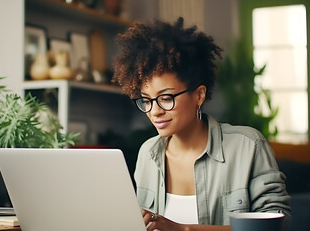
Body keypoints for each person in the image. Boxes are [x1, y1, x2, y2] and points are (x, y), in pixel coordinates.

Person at [112, 17, 291, 231]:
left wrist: (185, 229)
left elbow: (278, 226)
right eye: (146, 100)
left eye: (166, 98)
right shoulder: (147, 154)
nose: (155, 111)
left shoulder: (248, 146)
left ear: (199, 95)